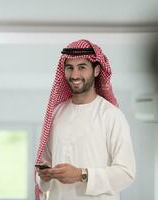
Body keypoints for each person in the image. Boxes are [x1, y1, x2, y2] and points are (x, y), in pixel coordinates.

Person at [34, 39, 136, 200]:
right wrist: (45, 175)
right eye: (70, 68)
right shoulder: (57, 113)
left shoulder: (111, 115)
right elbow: (43, 171)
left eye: (82, 67)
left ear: (96, 70)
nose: (75, 75)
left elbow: (126, 173)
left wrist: (81, 175)